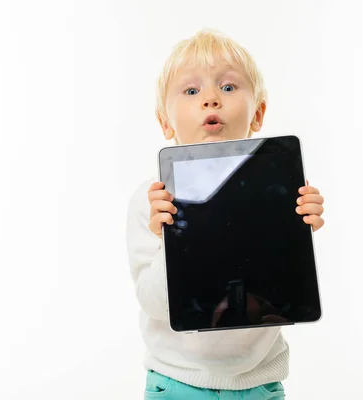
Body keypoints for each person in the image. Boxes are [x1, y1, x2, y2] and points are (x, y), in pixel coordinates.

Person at [126, 29, 326, 399]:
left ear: (258, 113)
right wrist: (166, 241)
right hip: (178, 382)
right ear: (165, 122)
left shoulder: (275, 190)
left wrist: (297, 230)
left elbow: (282, 289)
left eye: (229, 87)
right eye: (191, 91)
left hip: (259, 383)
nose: (211, 100)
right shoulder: (151, 199)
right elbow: (153, 304)